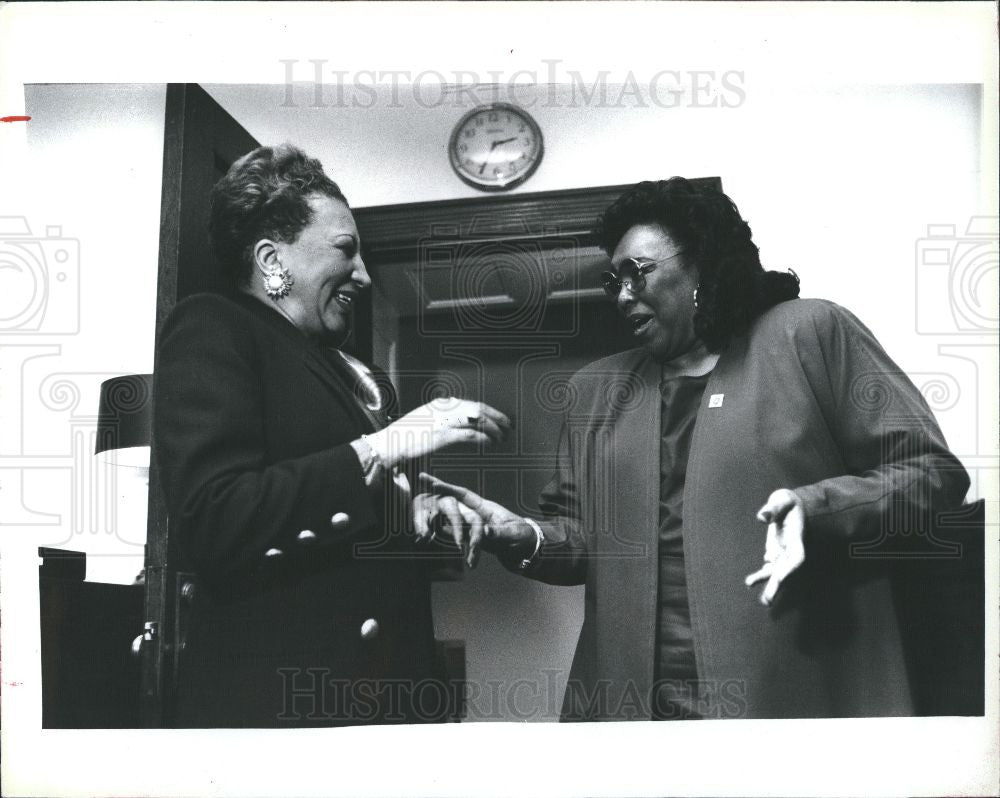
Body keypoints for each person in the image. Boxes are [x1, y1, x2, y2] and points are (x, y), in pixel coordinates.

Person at [418, 177, 971, 720]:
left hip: (791, 693)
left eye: (636, 272)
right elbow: (584, 542)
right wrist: (521, 533)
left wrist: (818, 507)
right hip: (636, 708)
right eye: (612, 281)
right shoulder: (595, 390)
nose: (623, 295)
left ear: (702, 261)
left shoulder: (808, 333)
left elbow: (932, 473)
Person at [153, 143, 510, 727]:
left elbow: (333, 512)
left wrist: (415, 505)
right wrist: (385, 446)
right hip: (287, 710)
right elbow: (216, 520)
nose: (364, 275)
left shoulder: (346, 369)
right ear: (273, 259)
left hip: (389, 698)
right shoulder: (214, 328)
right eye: (346, 251)